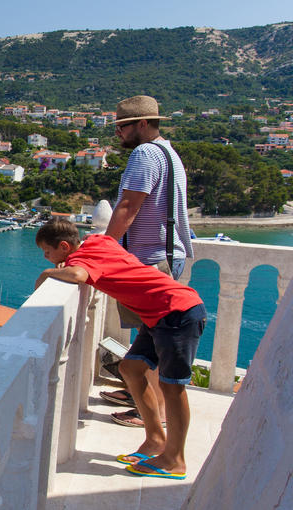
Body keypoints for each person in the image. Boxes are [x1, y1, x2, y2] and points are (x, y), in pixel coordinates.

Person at [35, 218, 206, 480]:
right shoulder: (97, 241)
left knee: (173, 387)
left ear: (65, 247)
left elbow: (79, 275)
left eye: (48, 252)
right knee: (130, 368)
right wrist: (65, 262)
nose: (47, 259)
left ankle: (175, 459)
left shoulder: (80, 262)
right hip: (158, 314)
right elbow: (99, 248)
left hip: (176, 312)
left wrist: (49, 273)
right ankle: (155, 440)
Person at [103, 95, 193, 428]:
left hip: (152, 261)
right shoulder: (169, 153)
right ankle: (139, 395)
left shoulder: (144, 154)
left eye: (122, 127)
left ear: (142, 124)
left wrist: (103, 247)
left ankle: (153, 412)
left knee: (157, 340)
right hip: (170, 256)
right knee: (154, 338)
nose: (119, 135)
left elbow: (128, 206)